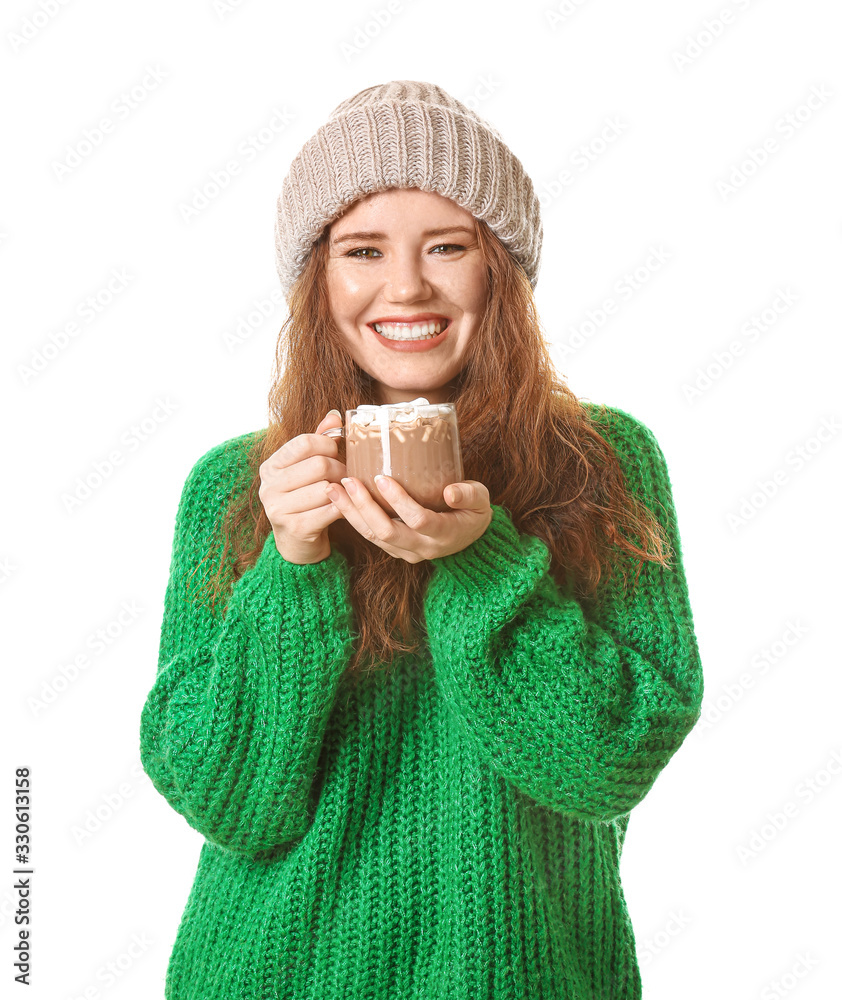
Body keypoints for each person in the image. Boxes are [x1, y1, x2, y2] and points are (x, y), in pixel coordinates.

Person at [139, 80, 704, 999]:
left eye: (448, 246)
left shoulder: (604, 463)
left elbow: (608, 764)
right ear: (319, 279)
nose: (406, 286)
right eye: (363, 250)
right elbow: (226, 798)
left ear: (502, 272)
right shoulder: (236, 488)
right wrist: (292, 564)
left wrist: (479, 562)